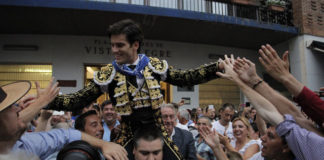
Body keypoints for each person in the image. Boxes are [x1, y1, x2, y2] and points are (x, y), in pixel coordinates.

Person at [46, 19, 223, 159]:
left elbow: (186, 77)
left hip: (158, 131)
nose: (114, 50)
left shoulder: (154, 66)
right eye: (113, 45)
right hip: (128, 133)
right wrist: (45, 101)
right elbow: (78, 99)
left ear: (135, 45)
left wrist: (219, 66)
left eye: (120, 45)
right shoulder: (109, 74)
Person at [217, 54, 324, 160]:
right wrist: (254, 80)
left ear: (287, 146)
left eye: (271, 136)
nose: (262, 138)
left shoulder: (318, 148)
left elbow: (270, 112)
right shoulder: (317, 141)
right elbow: (295, 114)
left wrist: (238, 80)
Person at [0, 80, 127, 160]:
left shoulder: (27, 144)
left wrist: (104, 144)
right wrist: (41, 103)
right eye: (11, 107)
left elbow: (66, 135)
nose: (18, 110)